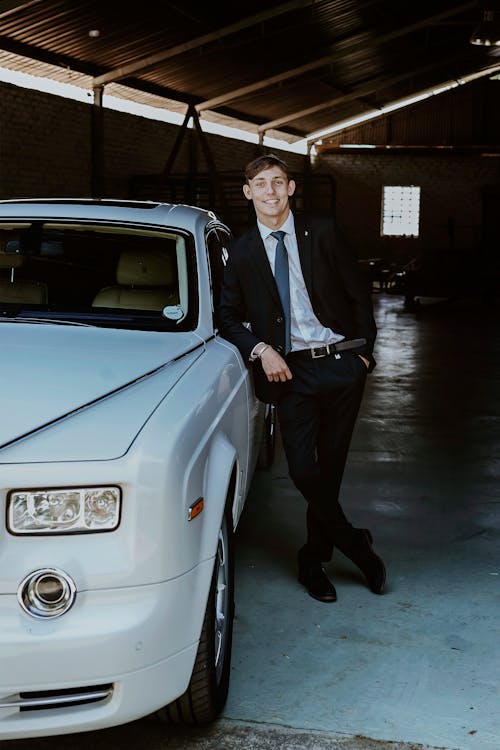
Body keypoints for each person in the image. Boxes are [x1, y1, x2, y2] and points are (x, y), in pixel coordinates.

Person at [219, 153, 386, 603]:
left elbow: (358, 292)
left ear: (291, 189)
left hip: (339, 363)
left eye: (278, 182)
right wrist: (261, 349)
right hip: (288, 369)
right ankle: (353, 543)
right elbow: (228, 317)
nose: (270, 190)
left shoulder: (323, 232)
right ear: (247, 192)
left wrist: (363, 354)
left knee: (329, 468)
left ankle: (312, 558)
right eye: (260, 183)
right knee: (303, 468)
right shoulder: (240, 251)